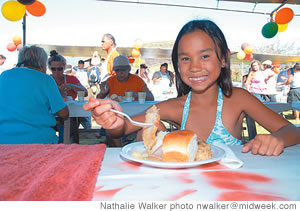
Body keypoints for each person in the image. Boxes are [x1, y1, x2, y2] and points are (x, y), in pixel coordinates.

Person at [84, 20, 299, 155]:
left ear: (223, 59)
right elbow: (124, 128)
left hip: (229, 190)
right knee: (150, 131)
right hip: (184, 192)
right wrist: (112, 119)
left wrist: (277, 139)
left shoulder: (238, 99)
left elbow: (292, 131)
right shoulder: (174, 107)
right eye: (185, 58)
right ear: (177, 65)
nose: (195, 67)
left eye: (205, 56)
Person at [0, 45, 69, 144]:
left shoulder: (4, 76)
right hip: (39, 141)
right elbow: (63, 113)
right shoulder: (46, 80)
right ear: (41, 63)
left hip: (4, 141)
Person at [97, 55, 154, 147]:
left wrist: (135, 94)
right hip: (116, 116)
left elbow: (151, 97)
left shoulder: (137, 80)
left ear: (129, 69)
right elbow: (98, 100)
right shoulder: (110, 80)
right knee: (111, 131)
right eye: (117, 71)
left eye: (122, 70)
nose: (120, 73)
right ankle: (117, 150)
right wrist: (103, 93)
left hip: (134, 117)